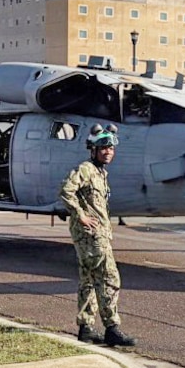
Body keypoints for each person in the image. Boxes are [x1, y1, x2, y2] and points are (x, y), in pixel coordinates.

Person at [58, 124, 136, 347]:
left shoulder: (100, 173)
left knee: (89, 281)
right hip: (91, 236)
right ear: (93, 149)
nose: (108, 151)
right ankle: (112, 328)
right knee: (109, 279)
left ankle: (86, 327)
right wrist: (80, 215)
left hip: (95, 234)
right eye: (103, 147)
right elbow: (66, 190)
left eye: (110, 148)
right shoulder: (86, 169)